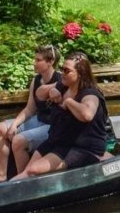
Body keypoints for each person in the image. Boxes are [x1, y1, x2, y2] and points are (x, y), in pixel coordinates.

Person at [14, 51, 108, 179]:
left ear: (81, 74)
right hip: (58, 141)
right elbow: (39, 94)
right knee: (27, 172)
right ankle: (6, 193)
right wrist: (52, 89)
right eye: (62, 69)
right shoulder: (63, 86)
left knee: (32, 170)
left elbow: (87, 115)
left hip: (83, 148)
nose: (62, 73)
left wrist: (69, 102)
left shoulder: (90, 94)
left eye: (67, 70)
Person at [0, 44, 61, 183]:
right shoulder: (36, 80)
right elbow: (30, 109)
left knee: (19, 141)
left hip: (53, 125)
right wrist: (14, 125)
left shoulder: (61, 81)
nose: (34, 63)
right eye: (35, 59)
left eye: (38, 60)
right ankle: (1, 174)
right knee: (0, 129)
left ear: (50, 62)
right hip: (39, 120)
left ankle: (24, 181)